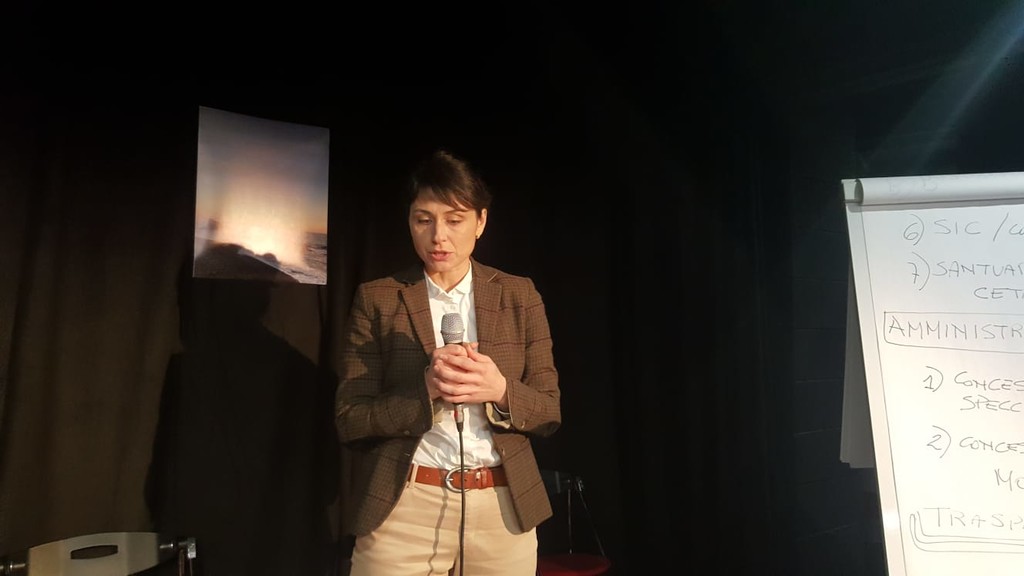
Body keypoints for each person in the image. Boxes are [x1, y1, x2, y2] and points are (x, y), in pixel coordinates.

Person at [335, 149, 561, 576]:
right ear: (409, 222)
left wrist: (500, 391)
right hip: (405, 506)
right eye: (424, 219)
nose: (438, 236)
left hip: (503, 508)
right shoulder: (378, 298)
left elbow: (549, 411)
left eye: (455, 220)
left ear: (481, 221)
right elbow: (351, 420)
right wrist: (425, 391)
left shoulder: (519, 295)